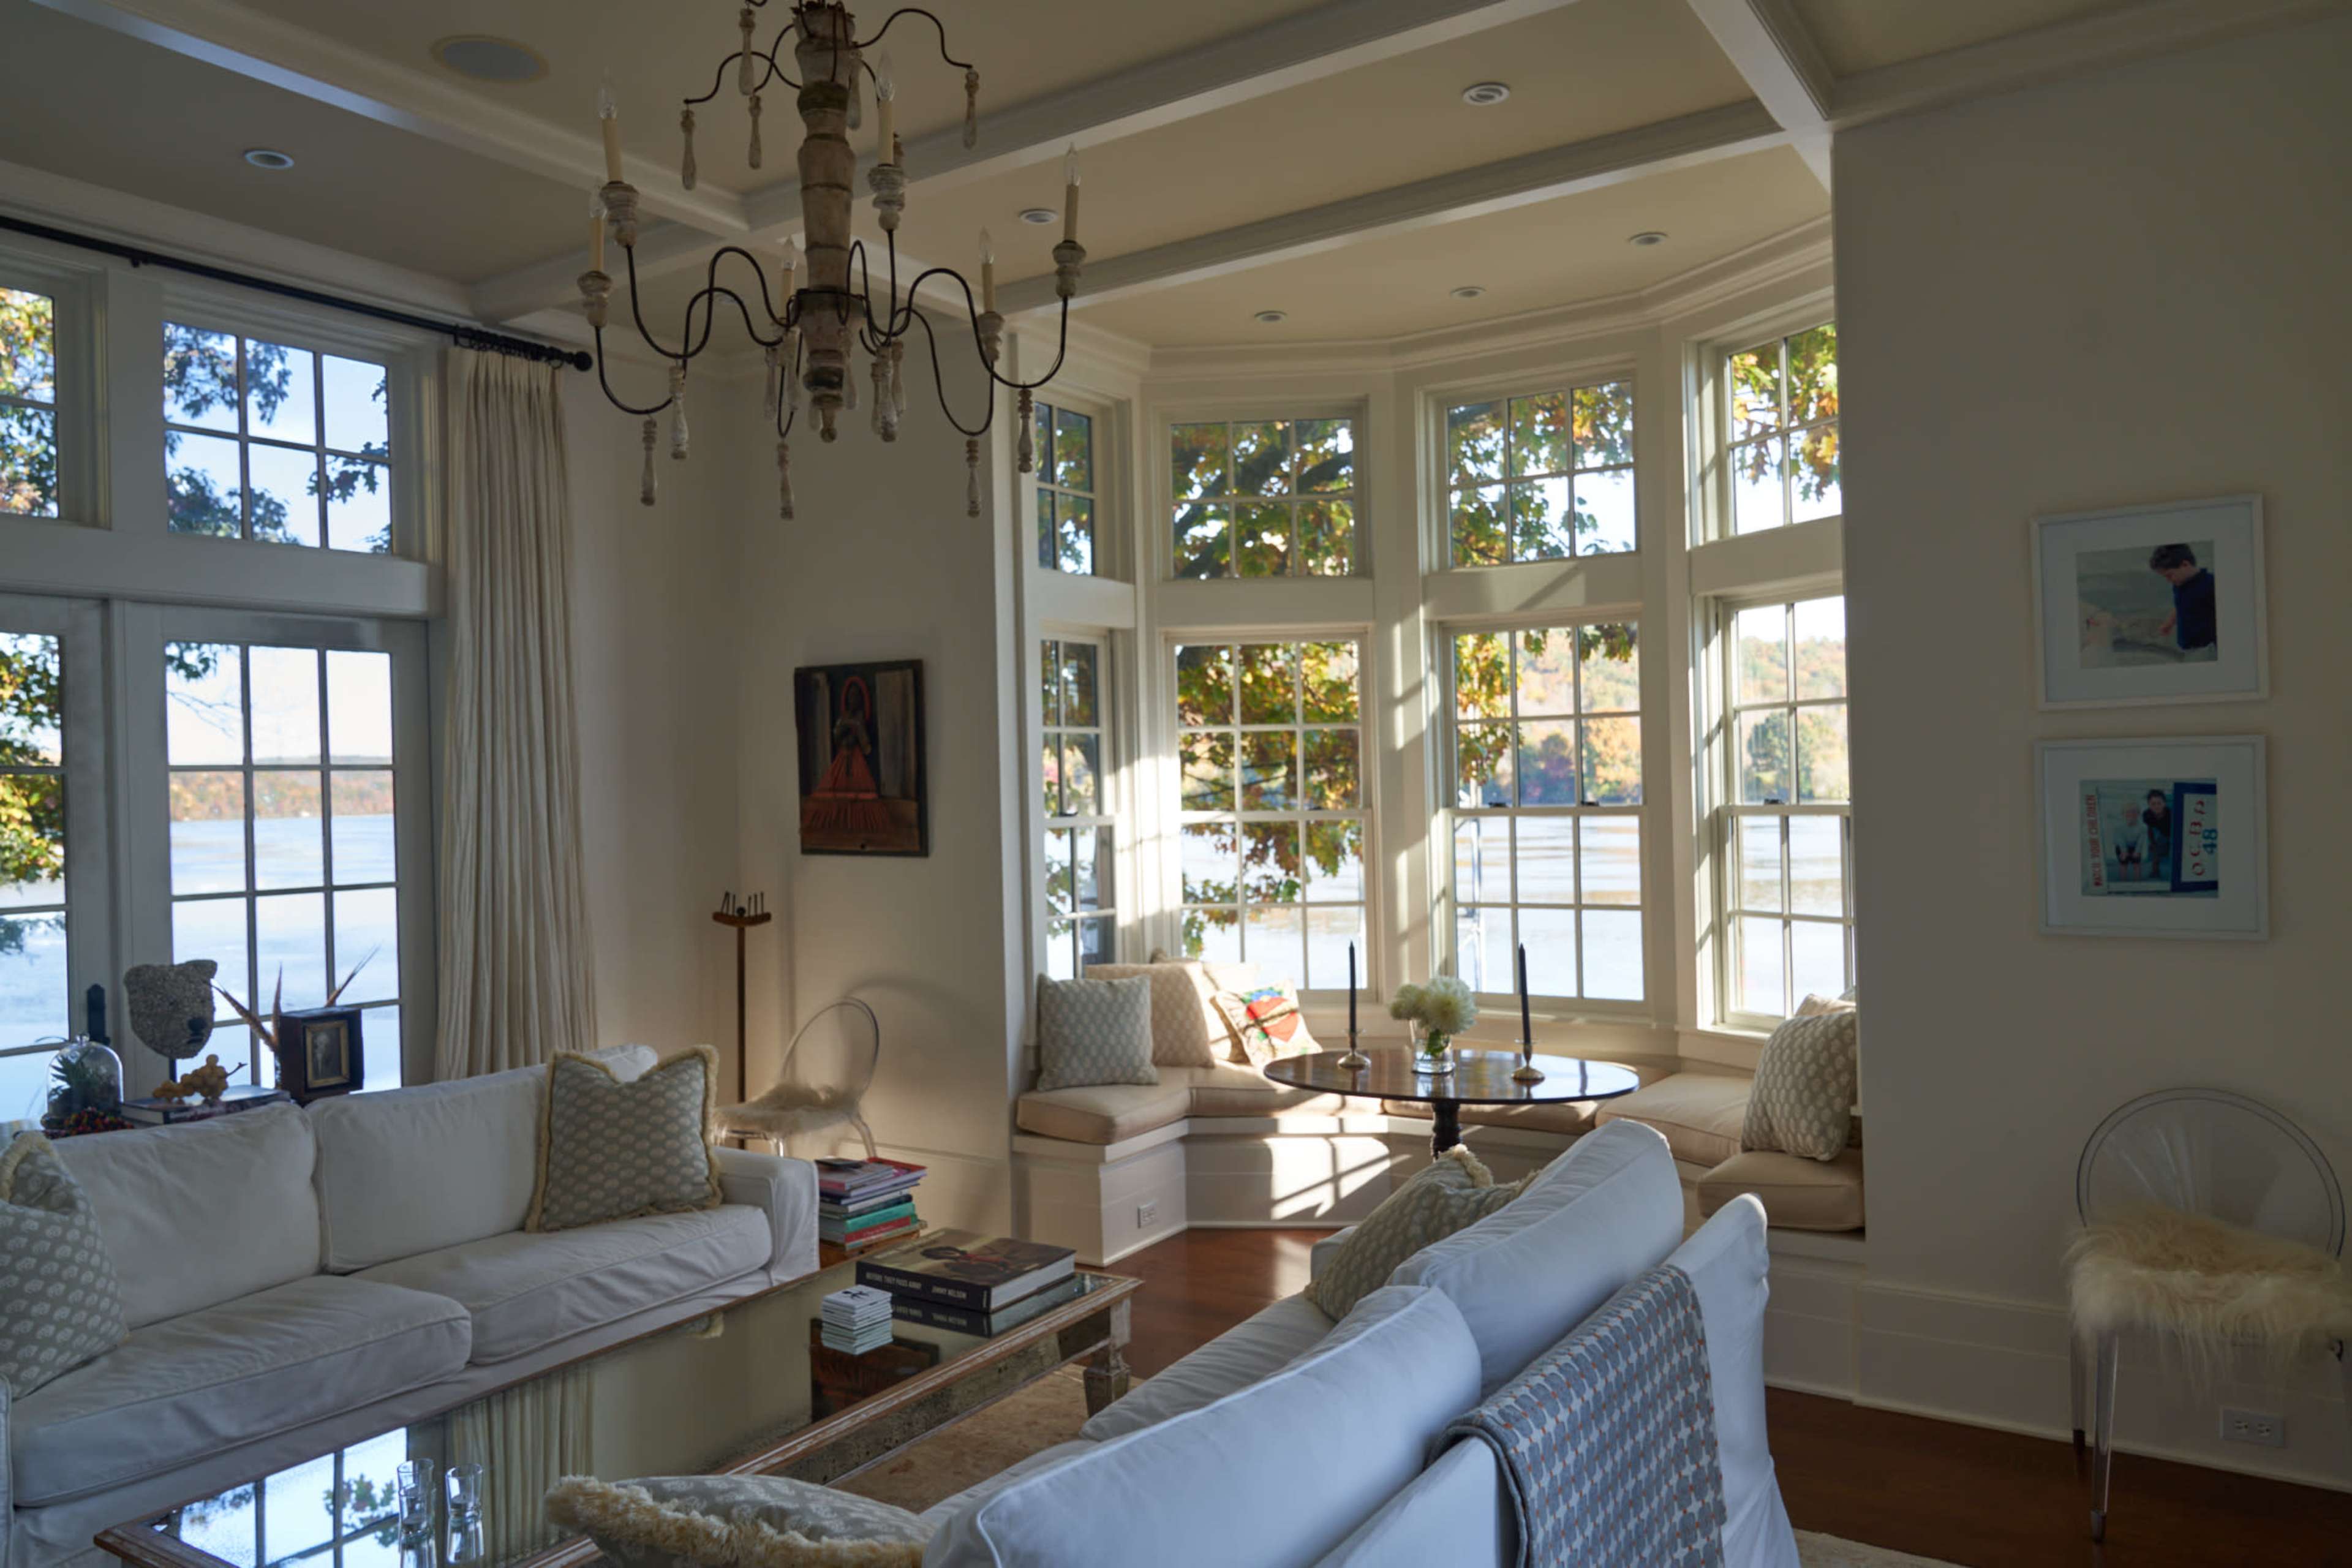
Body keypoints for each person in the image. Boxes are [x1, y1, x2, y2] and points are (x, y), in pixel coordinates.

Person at [2149, 543, 2217, 652]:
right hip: (2186, 645)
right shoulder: (2179, 584)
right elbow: (2180, 605)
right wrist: (2169, 623)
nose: (2168, 580)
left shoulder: (2211, 584)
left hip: (2206, 647)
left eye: (2169, 575)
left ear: (2185, 565)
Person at [2109, 800, 2149, 883]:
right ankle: (2123, 882)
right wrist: (2124, 851)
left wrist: (2137, 851)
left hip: (2135, 846)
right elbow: (2120, 840)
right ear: (2123, 814)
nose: (2131, 814)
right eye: (2127, 812)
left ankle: (2137, 881)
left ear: (2139, 814)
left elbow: (2141, 841)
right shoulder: (2119, 827)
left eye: (2134, 812)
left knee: (2137, 864)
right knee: (2123, 864)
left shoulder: (2143, 827)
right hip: (2121, 846)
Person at [2141, 788, 2174, 883]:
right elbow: (2150, 830)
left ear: (2164, 803)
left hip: (2173, 832)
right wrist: (2152, 843)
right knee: (2156, 846)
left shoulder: (2171, 813)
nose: (2156, 806)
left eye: (2159, 803)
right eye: (2153, 804)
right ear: (2149, 804)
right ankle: (2155, 871)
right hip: (2161, 833)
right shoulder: (2147, 814)